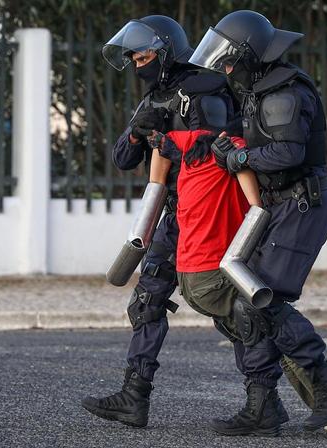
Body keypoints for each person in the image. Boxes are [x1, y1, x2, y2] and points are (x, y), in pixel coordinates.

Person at [186, 10, 327, 434]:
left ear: (250, 54)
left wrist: (239, 158)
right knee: (250, 303)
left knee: (263, 299)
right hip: (278, 206)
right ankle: (264, 406)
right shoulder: (258, 90)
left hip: (302, 207)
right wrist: (227, 146)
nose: (226, 70)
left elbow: (287, 154)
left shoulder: (284, 92)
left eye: (229, 61)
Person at [81, 15, 237, 428]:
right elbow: (122, 159)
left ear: (167, 49)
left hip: (209, 212)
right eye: (131, 56)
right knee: (148, 299)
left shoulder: (204, 90)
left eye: (142, 53)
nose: (136, 61)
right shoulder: (154, 97)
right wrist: (137, 134)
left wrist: (169, 143)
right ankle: (134, 397)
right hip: (174, 214)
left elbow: (219, 157)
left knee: (228, 305)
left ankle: (265, 396)